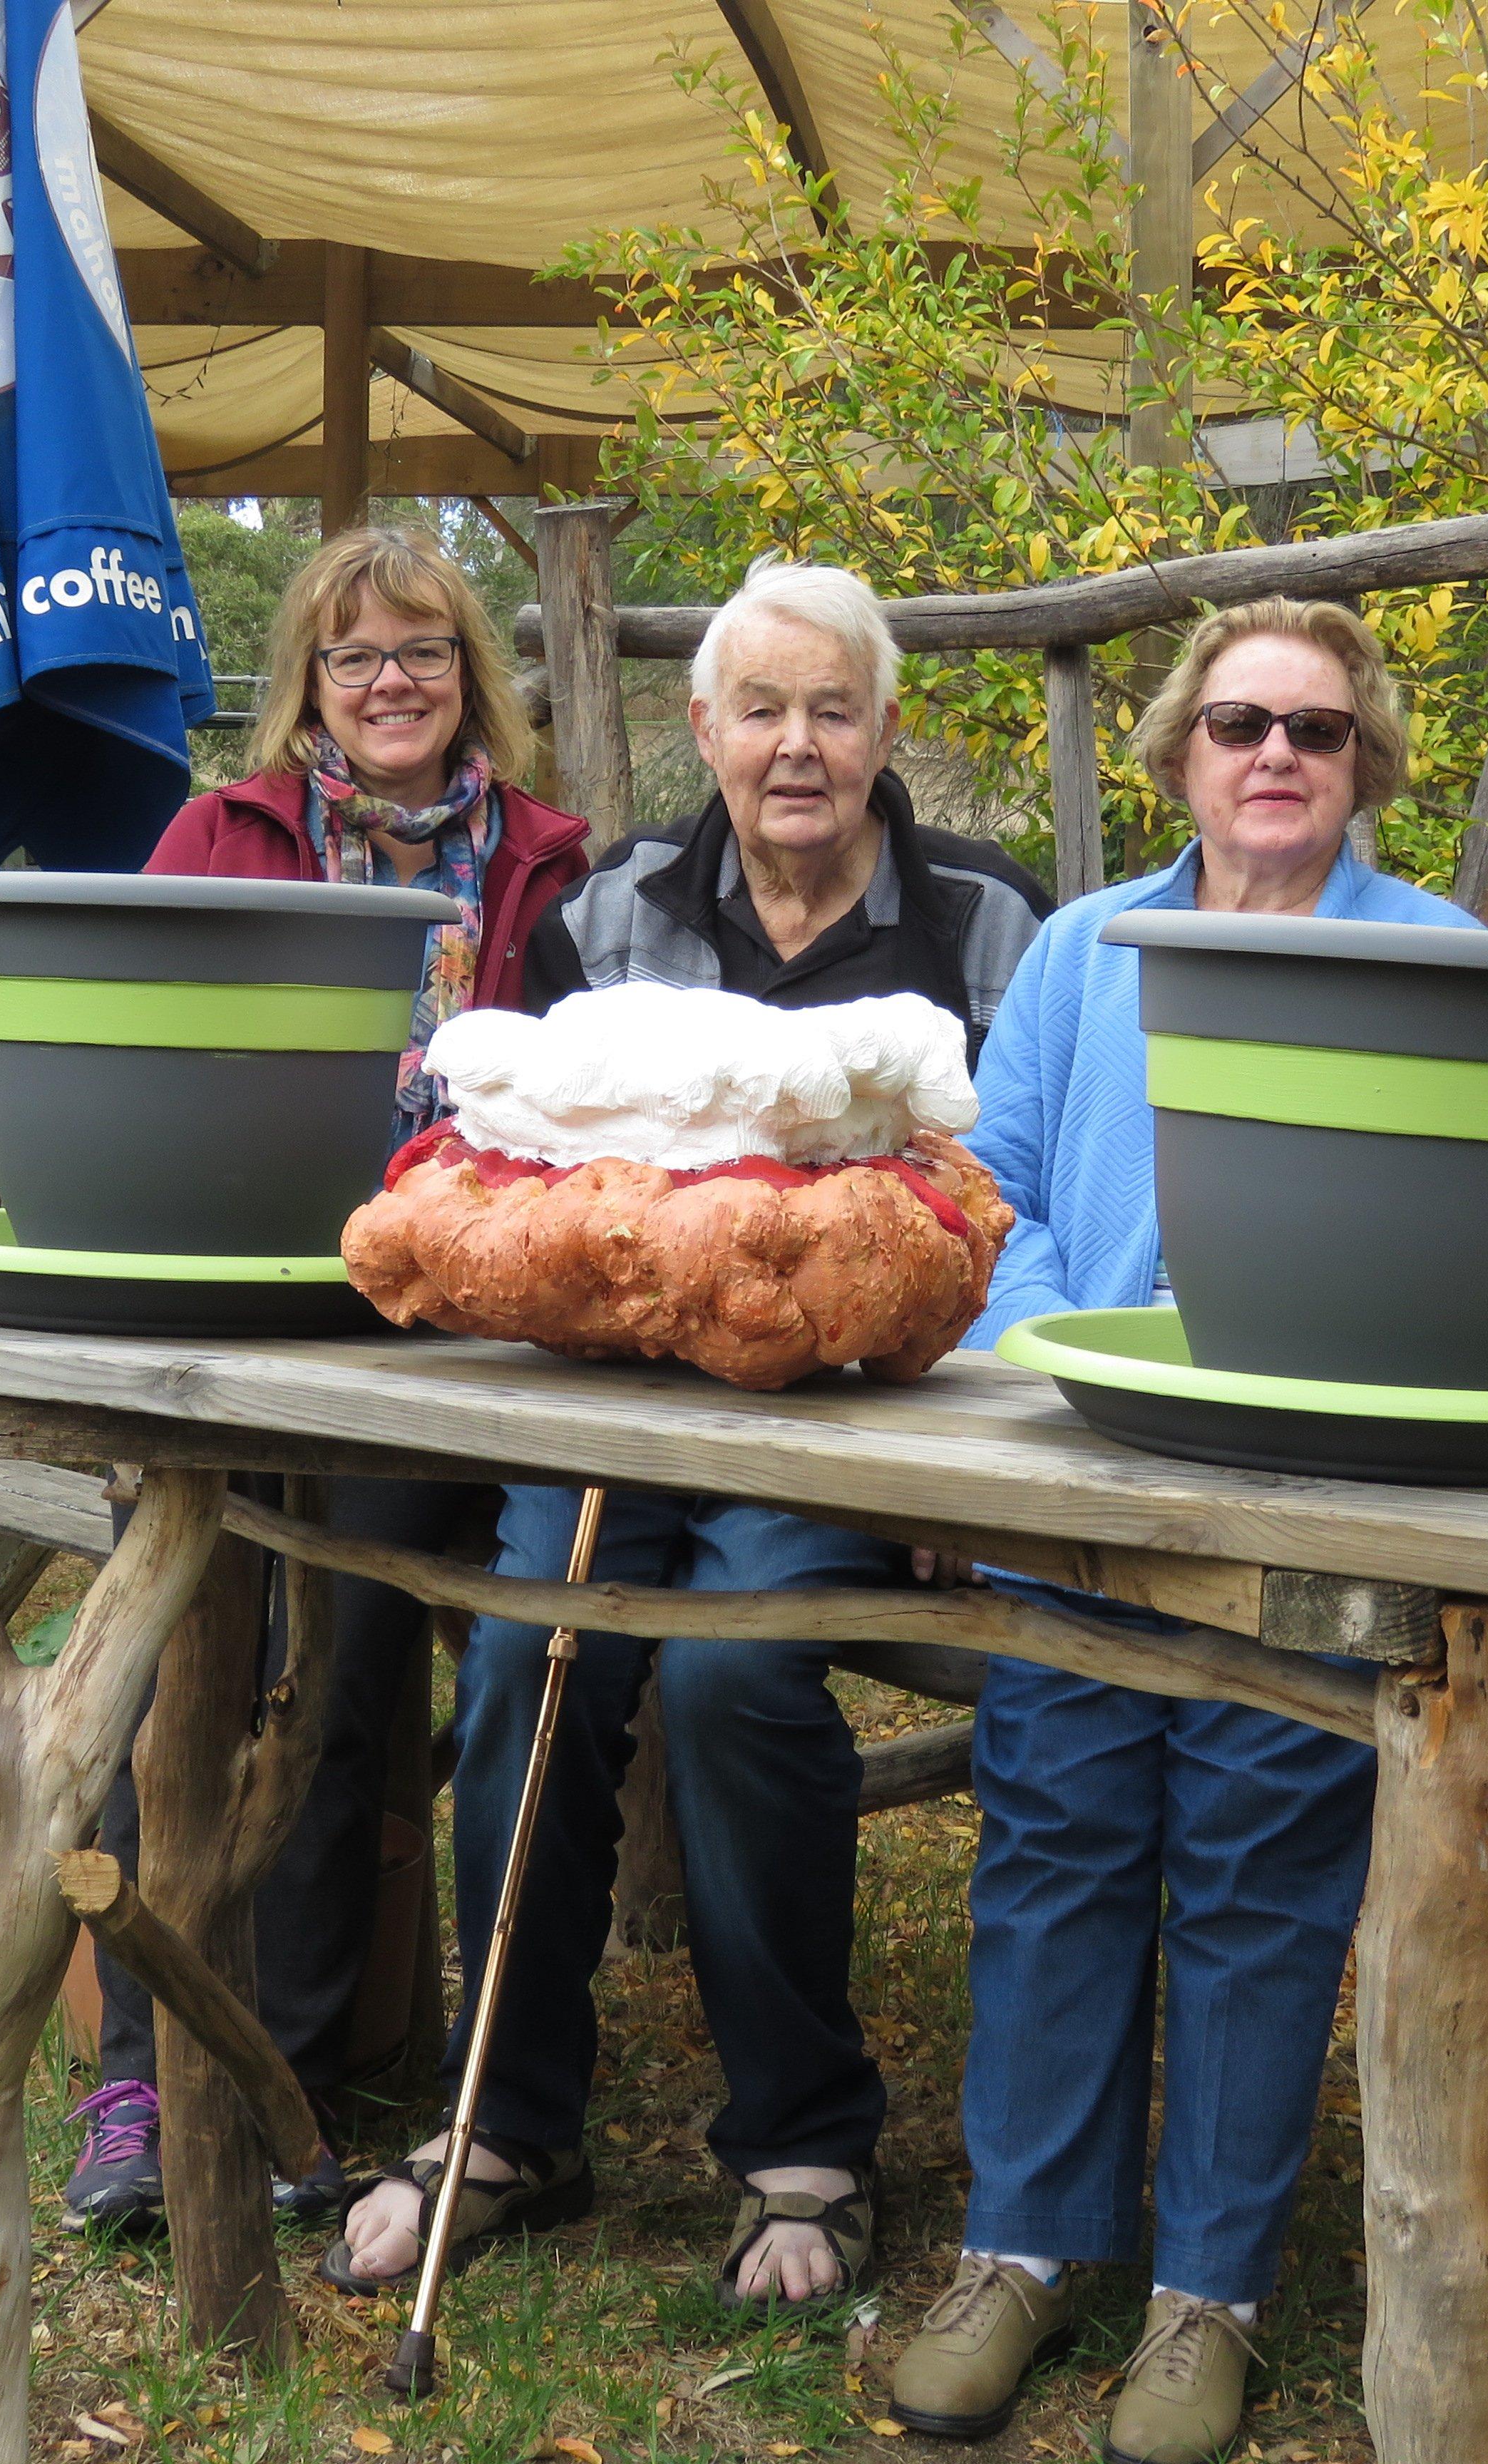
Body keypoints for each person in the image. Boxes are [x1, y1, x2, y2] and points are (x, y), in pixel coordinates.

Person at [322, 558, 1052, 2309]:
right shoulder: (613, 910)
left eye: (833, 709)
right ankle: (507, 2118)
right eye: (762, 709)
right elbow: (518, 1161)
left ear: (885, 731)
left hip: (851, 1417)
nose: (797, 745)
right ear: (705, 726)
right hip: (615, 1397)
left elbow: (1011, 1193)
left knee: (731, 1676)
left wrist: (981, 1462)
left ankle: (802, 2136)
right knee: (529, 1654)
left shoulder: (986, 922)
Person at [889, 600, 1477, 2464]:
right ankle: (1023, 2248)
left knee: (1257, 1867)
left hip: (1319, 1496)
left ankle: (1208, 2290)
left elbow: (1465, 1226)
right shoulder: (1084, 950)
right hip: (1086, 1478)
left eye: (1317, 726)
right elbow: (994, 1187)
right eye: (1239, 723)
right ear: (1180, 753)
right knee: (1053, 1845)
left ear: (1366, 762)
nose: (1276, 753)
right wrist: (1069, 1360)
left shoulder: (1439, 962)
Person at [61, 524, 592, 2234]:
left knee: (341, 1685)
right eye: (354, 654)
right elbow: (132, 1043)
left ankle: (277, 2078)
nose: (389, 682)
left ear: (469, 675)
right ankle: (136, 2081)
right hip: (227, 1310)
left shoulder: (556, 863)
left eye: (422, 650)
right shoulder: (220, 835)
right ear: (307, 678)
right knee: (165, 1678)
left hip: (431, 1337)